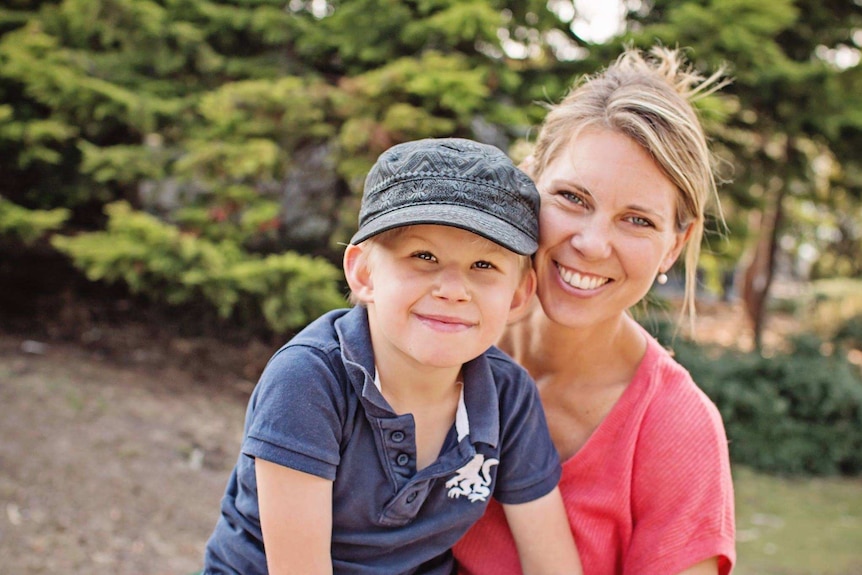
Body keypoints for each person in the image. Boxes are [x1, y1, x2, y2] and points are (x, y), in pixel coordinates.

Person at [203, 138, 583, 574]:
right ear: (364, 273)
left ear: (519, 295)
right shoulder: (309, 380)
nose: (453, 290)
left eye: (484, 267)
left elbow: (553, 564)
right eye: (423, 256)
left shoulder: (507, 397)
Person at [453, 47, 736, 575]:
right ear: (527, 183)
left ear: (676, 245)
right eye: (573, 198)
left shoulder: (676, 430)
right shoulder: (439, 337)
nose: (592, 243)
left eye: (638, 220)